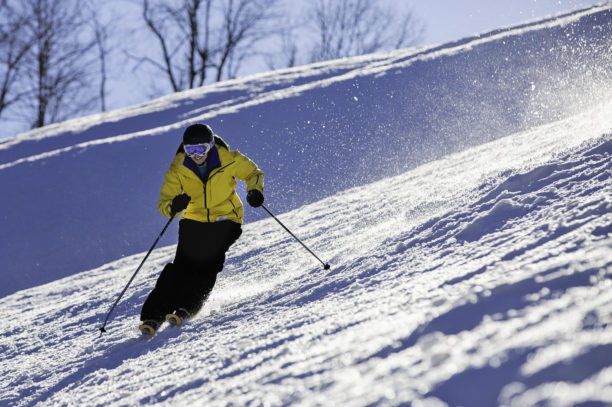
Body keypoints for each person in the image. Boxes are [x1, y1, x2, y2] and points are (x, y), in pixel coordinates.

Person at [139, 123, 264, 336]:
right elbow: (164, 203)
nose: (196, 155)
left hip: (227, 218)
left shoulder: (229, 158)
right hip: (193, 220)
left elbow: (253, 173)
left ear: (211, 146)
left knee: (208, 261)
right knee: (181, 267)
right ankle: (154, 314)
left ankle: (188, 306)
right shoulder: (179, 167)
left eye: (201, 149)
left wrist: (254, 192)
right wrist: (174, 206)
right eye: (190, 150)